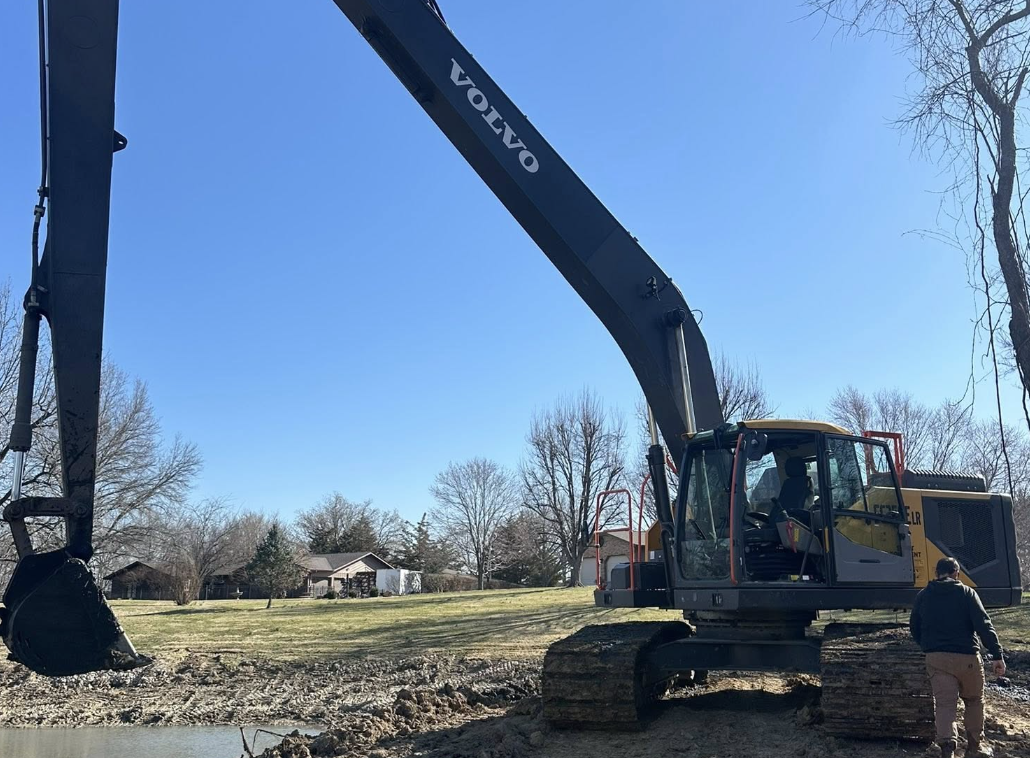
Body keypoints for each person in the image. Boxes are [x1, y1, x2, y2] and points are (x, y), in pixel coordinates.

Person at [910, 556, 1006, 758]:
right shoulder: (967, 593)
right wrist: (997, 654)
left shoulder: (923, 595)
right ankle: (974, 747)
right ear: (956, 573)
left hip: (936, 658)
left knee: (945, 704)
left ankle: (947, 747)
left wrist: (928, 647)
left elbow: (914, 628)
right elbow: (983, 625)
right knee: (973, 700)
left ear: (936, 574)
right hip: (967, 657)